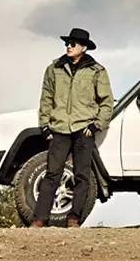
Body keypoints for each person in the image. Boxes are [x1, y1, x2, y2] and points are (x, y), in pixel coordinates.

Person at [31, 27, 114, 228]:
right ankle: (39, 219)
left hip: (84, 129)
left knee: (82, 176)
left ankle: (74, 218)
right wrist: (45, 126)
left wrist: (96, 125)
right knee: (52, 174)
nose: (68, 46)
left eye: (73, 43)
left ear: (83, 47)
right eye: (67, 43)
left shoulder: (97, 71)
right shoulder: (54, 68)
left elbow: (107, 102)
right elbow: (46, 98)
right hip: (59, 129)